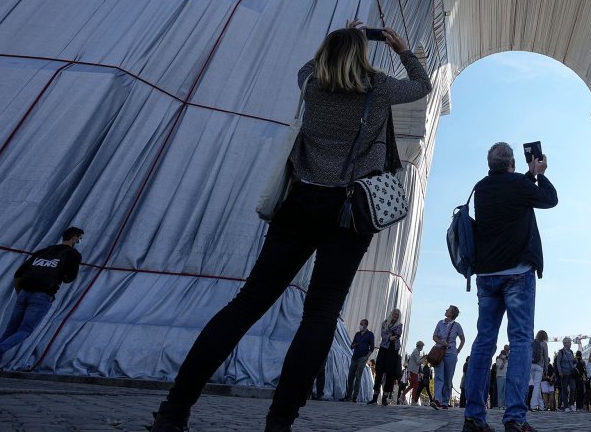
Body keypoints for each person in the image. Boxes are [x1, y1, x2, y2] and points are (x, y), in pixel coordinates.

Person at [149, 23, 431, 432]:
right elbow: (421, 84)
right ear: (362, 56)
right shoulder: (381, 87)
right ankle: (279, 422)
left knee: (246, 304)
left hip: (299, 202)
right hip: (350, 210)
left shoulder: (311, 84)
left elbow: (308, 65)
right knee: (320, 313)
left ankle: (175, 409)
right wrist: (401, 49)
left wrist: (341, 35)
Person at [461, 142, 558, 432]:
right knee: (519, 342)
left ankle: (473, 417)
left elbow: (512, 195)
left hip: (487, 276)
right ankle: (515, 418)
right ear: (513, 163)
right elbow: (549, 199)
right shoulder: (519, 183)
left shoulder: (480, 188)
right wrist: (539, 173)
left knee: (483, 342)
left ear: (489, 164)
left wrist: (527, 176)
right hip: (518, 274)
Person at [0, 226, 84, 381]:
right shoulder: (73, 254)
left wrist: (22, 294)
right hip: (42, 296)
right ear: (74, 238)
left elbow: (18, 274)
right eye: (79, 238)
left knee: (9, 331)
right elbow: (69, 279)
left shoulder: (42, 252)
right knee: (25, 330)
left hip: (24, 293)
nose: (79, 241)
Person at [431, 305, 465, 409]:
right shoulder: (440, 323)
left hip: (451, 354)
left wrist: (457, 351)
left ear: (452, 313)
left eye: (448, 310)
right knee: (439, 376)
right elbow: (434, 336)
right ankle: (437, 400)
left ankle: (445, 401)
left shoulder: (457, 326)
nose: (446, 310)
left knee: (448, 378)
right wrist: (441, 341)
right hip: (439, 353)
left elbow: (462, 339)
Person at [371, 309, 404, 406]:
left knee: (390, 373)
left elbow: (397, 335)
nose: (395, 316)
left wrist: (389, 335)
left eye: (397, 315)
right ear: (391, 314)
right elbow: (383, 334)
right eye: (394, 314)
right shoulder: (385, 323)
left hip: (393, 350)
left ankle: (385, 397)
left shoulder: (399, 325)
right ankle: (375, 397)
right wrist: (390, 337)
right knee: (379, 371)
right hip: (384, 348)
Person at [339, 319, 375, 402]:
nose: (360, 325)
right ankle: (348, 395)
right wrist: (354, 345)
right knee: (350, 376)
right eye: (360, 324)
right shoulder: (357, 334)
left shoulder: (370, 334)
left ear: (366, 325)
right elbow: (352, 345)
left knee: (358, 377)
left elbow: (372, 348)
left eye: (362, 324)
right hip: (355, 357)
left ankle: (354, 396)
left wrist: (366, 357)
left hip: (362, 357)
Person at [554, 337, 576, 412]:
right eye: (568, 342)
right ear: (565, 343)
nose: (570, 344)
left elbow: (573, 362)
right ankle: (566, 406)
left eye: (570, 342)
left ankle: (571, 404)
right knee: (565, 390)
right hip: (564, 373)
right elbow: (558, 362)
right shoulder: (561, 352)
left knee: (573, 388)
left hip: (571, 373)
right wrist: (560, 371)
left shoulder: (571, 352)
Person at [529, 330, 548, 410]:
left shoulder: (533, 342)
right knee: (537, 385)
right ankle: (533, 405)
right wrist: (546, 368)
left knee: (537, 385)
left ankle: (541, 406)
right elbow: (546, 357)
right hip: (539, 366)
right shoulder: (544, 344)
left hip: (531, 365)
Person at [404, 340, 425, 405]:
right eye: (422, 346)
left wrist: (423, 358)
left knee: (412, 385)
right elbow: (418, 361)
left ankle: (402, 396)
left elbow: (418, 360)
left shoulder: (417, 351)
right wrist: (424, 358)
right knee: (416, 385)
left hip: (413, 370)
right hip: (413, 370)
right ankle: (413, 400)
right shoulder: (416, 351)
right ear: (419, 346)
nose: (422, 348)